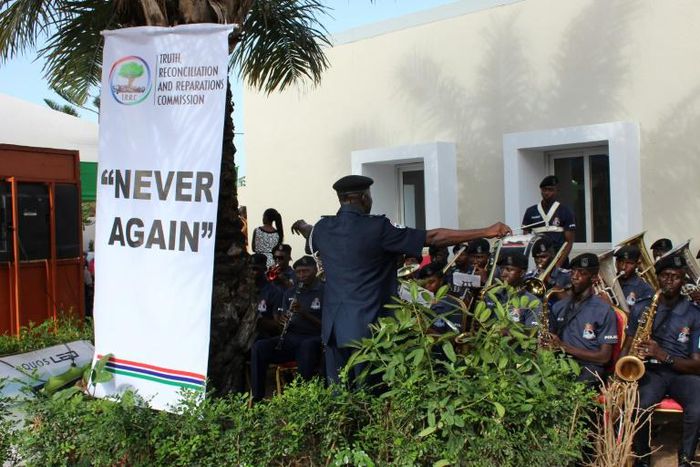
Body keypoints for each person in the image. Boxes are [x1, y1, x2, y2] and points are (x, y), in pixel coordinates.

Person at [291, 175, 511, 383]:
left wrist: (300, 224)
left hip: (334, 332)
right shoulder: (378, 228)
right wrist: (487, 230)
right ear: (364, 198)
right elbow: (434, 237)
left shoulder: (322, 229)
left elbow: (308, 230)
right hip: (370, 331)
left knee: (341, 395)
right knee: (371, 395)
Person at [622, 254, 700, 467]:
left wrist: (662, 355)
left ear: (683, 280)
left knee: (697, 408)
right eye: (665, 275)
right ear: (657, 277)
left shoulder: (694, 314)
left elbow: (697, 364)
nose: (670, 281)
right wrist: (619, 374)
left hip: (682, 373)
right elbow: (627, 346)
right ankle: (642, 457)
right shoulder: (641, 308)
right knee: (639, 406)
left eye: (676, 277)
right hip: (650, 371)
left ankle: (685, 459)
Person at [249, 256, 324, 402]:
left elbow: (326, 325)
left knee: (306, 346)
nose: (301, 275)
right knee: (259, 347)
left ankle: (303, 398)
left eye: (305, 271)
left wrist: (303, 313)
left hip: (313, 338)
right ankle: (257, 397)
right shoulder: (290, 293)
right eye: (298, 272)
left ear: (315, 270)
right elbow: (282, 318)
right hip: (290, 338)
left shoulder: (324, 290)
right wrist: (282, 321)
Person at [548, 253, 618, 385]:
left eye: (582, 273)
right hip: (561, 362)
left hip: (590, 367)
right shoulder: (559, 306)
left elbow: (604, 357)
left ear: (593, 278)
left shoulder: (604, 310)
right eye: (573, 271)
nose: (574, 276)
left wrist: (565, 347)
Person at [522, 175, 576, 267]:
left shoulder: (565, 211)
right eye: (544, 190)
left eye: (550, 190)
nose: (547, 193)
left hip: (560, 260)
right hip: (540, 259)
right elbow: (526, 238)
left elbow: (569, 242)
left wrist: (557, 265)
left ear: (557, 191)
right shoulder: (530, 211)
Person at [477, 251, 541, 329]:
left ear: (522, 273)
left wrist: (509, 333)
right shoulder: (491, 295)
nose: (503, 274)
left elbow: (532, 332)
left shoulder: (532, 301)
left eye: (509, 270)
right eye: (502, 269)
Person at [524, 237, 570, 304]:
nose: (539, 260)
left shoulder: (566, 276)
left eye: (543, 257)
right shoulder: (528, 277)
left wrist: (550, 281)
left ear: (553, 256)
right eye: (536, 257)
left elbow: (570, 302)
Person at [251, 253, 283, 338]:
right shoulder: (242, 289)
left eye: (255, 269)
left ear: (264, 269)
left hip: (263, 334)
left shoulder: (274, 291)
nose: (251, 272)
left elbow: (278, 325)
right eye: (249, 269)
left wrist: (257, 321)